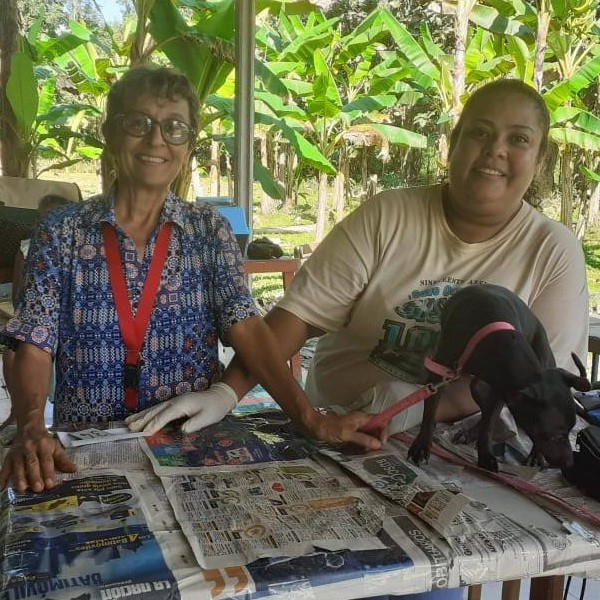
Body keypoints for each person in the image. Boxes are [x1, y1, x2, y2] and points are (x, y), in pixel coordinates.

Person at [131, 78, 587, 600]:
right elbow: (294, 320)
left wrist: (400, 412)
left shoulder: (552, 251)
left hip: (448, 462)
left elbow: (531, 386)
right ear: (453, 141)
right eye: (479, 133)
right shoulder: (388, 216)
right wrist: (226, 391)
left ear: (541, 157)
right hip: (332, 436)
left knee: (426, 589)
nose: (495, 152)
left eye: (518, 139)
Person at [1, 65, 384, 494]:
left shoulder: (208, 230)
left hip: (191, 439)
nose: (156, 140)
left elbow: (249, 329)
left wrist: (308, 417)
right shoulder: (63, 230)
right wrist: (31, 424)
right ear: (110, 133)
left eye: (174, 128)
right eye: (139, 123)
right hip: (84, 445)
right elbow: (34, 340)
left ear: (189, 144)